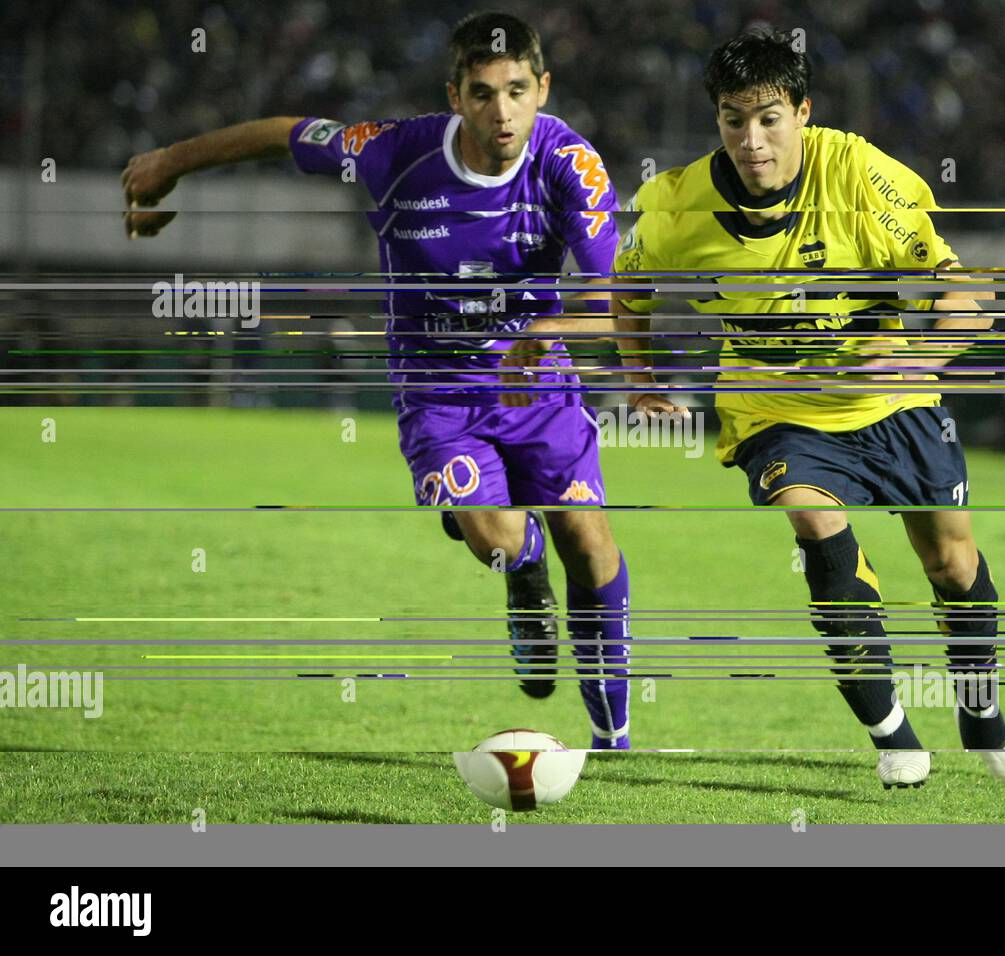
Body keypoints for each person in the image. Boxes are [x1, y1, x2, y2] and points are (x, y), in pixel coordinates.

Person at [121, 11, 633, 749]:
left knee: (587, 541)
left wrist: (550, 331)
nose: (503, 112)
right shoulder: (396, 153)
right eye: (484, 93)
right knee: (497, 535)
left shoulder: (569, 164)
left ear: (543, 87)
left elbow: (614, 300)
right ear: (454, 94)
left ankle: (613, 734)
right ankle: (522, 571)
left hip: (539, 388)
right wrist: (171, 160)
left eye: (518, 91)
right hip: (439, 397)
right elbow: (285, 133)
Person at [614, 27, 1005, 786]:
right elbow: (625, 293)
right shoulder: (677, 206)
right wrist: (638, 375)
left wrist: (921, 358)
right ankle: (892, 730)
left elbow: (970, 294)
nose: (752, 138)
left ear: (803, 112)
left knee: (951, 563)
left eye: (769, 117)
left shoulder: (862, 174)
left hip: (893, 399)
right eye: (733, 119)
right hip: (777, 411)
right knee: (816, 525)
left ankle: (980, 708)